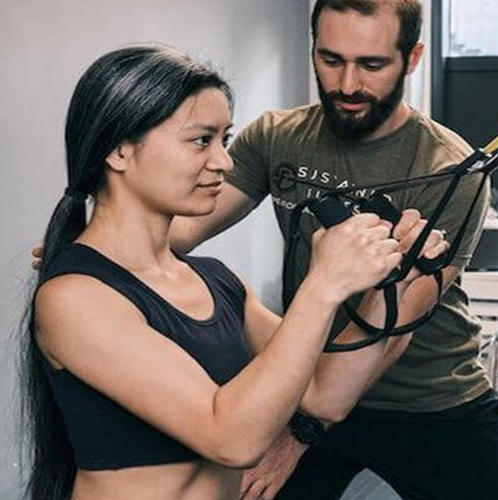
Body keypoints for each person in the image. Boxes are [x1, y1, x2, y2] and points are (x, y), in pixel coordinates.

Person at [21, 45, 446, 500]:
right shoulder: (75, 296)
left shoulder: (214, 280)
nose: (224, 161)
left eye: (225, 139)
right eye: (202, 140)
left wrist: (397, 279)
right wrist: (323, 285)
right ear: (120, 150)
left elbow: (325, 394)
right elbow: (230, 438)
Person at [169, 1, 498, 499]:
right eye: (331, 59)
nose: (346, 85)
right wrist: (101, 245)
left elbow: (395, 329)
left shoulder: (453, 171)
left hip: (427, 398)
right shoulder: (276, 138)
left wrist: (299, 434)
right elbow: (179, 232)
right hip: (309, 383)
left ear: (412, 58)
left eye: (371, 65)